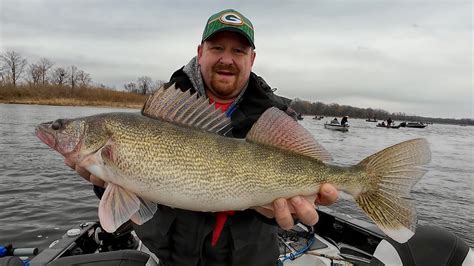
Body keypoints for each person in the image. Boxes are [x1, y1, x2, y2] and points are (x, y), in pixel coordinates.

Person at [66, 9, 338, 265]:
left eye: (238, 51)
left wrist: (275, 215)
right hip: (173, 259)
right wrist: (106, 183)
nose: (227, 59)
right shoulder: (164, 112)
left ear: (252, 58)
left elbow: (280, 205)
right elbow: (133, 205)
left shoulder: (274, 118)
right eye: (217, 48)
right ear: (200, 52)